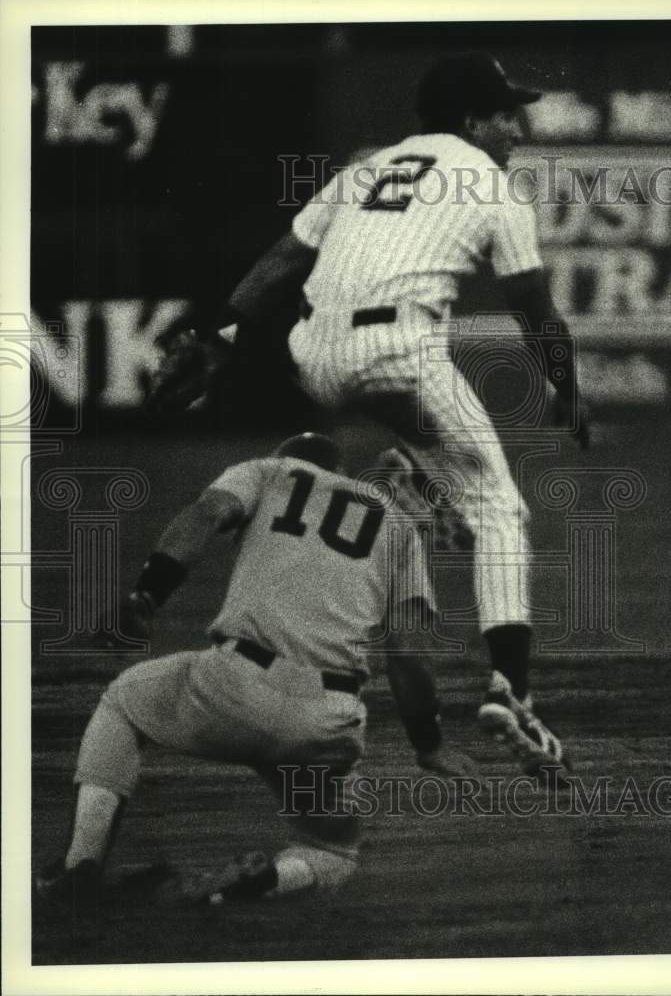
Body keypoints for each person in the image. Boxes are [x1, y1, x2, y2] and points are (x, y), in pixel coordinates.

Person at [146, 52, 589, 774]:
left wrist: (223, 335)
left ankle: (404, 483)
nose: (517, 127)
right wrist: (565, 386)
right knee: (500, 506)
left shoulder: (365, 169)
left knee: (429, 447)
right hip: (400, 349)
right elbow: (532, 307)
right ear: (472, 120)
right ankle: (513, 690)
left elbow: (286, 259)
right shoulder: (489, 183)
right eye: (506, 113)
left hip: (313, 351)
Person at [36, 432, 475, 910]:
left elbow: (207, 514)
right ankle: (265, 880)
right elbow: (408, 652)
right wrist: (430, 744)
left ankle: (80, 868)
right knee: (332, 852)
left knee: (124, 701)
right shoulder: (398, 525)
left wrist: (148, 594)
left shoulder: (269, 472)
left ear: (285, 460)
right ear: (343, 474)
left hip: (233, 687)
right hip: (327, 721)